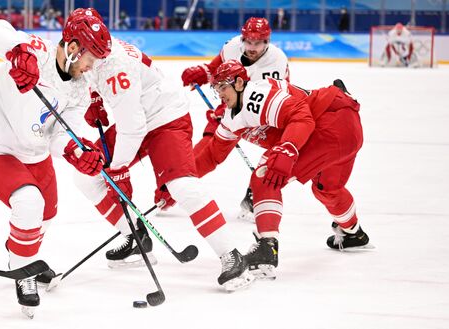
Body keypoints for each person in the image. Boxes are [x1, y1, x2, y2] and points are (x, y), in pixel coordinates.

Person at [73, 8, 254, 292]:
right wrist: (94, 99)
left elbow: (132, 127)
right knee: (85, 175)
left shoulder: (114, 66)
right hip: (136, 115)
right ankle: (134, 238)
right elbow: (95, 79)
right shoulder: (99, 51)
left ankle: (232, 255)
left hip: (166, 118)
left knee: (182, 186)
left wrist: (118, 170)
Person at [0, 12, 111, 318]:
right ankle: (23, 272)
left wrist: (76, 151)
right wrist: (17, 52)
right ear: (73, 48)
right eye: (91, 58)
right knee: (29, 202)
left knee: (47, 212)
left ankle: (21, 256)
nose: (91, 67)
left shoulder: (79, 87)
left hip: (34, 153)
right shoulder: (36, 50)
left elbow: (63, 130)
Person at [193, 60, 371, 279]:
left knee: (264, 177)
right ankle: (354, 233)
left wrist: (288, 148)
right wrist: (179, 179)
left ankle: (267, 249)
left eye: (223, 86)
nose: (219, 93)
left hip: (329, 123)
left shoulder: (256, 95)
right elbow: (212, 155)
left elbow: (302, 116)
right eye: (216, 88)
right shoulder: (230, 117)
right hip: (346, 127)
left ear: (239, 83)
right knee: (327, 189)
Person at [181, 17, 290, 221]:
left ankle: (255, 191)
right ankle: (177, 185)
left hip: (263, 112)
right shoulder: (232, 46)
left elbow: (270, 99)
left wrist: (237, 112)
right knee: (209, 147)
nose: (251, 47)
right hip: (231, 102)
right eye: (248, 41)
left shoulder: (277, 61)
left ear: (267, 42)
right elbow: (214, 69)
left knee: (279, 146)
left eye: (257, 43)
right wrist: (201, 73)